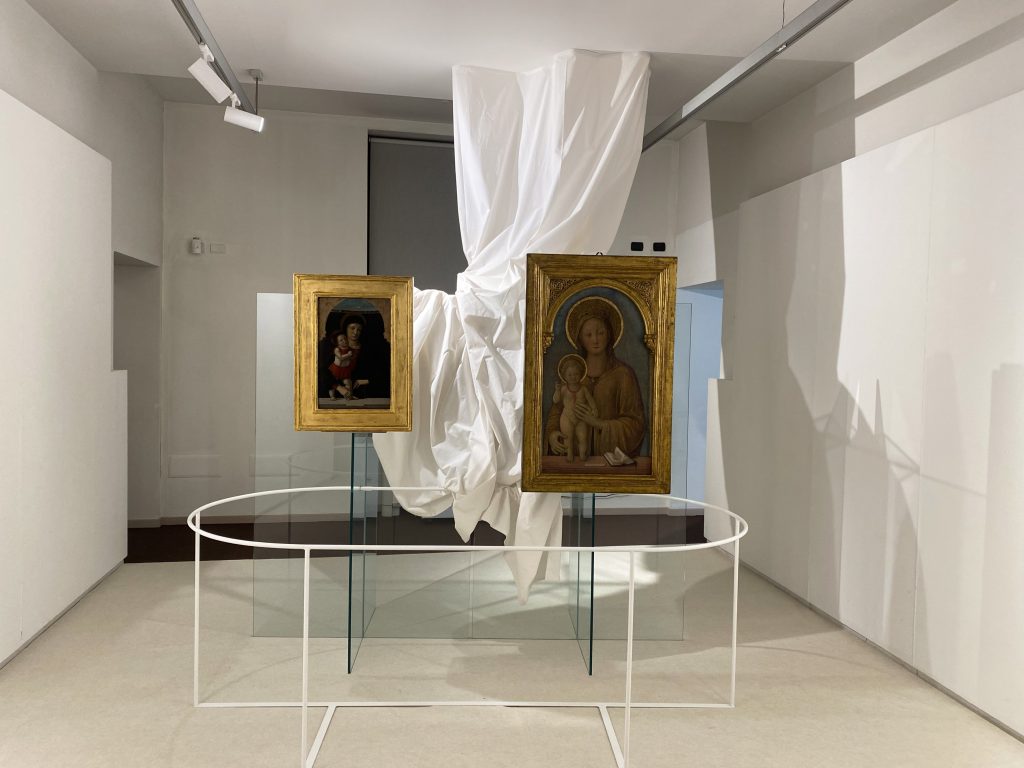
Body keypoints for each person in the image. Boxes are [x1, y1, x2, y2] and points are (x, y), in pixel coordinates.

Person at [546, 296, 646, 461]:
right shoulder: (572, 375)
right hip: (574, 462)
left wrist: (598, 423)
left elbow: (636, 425)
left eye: (600, 333)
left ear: (609, 335)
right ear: (580, 338)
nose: (595, 339)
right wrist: (552, 434)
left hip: (609, 462)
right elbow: (557, 411)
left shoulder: (623, 375)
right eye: (588, 334)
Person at [552, 354, 597, 462]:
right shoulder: (564, 389)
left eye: (576, 374)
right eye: (570, 374)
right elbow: (556, 400)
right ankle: (569, 456)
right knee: (568, 438)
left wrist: (594, 409)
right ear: (564, 376)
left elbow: (590, 400)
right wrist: (557, 391)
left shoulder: (583, 389)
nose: (573, 377)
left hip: (581, 418)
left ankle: (582, 455)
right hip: (566, 417)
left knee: (583, 438)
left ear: (581, 374)